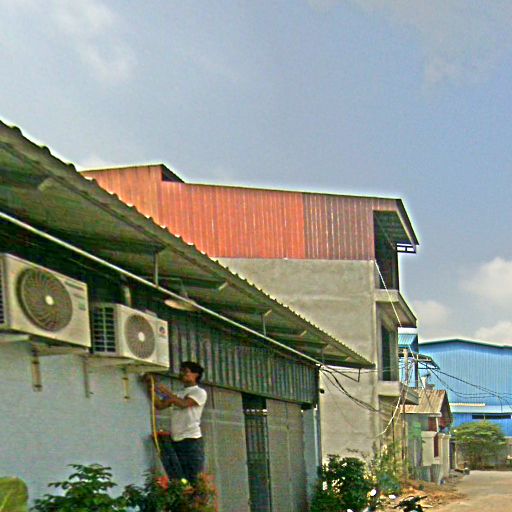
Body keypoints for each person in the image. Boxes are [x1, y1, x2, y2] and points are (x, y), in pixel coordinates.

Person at [147, 361, 207, 485]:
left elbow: (183, 404)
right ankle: (184, 492)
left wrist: (166, 392)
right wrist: (150, 387)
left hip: (191, 439)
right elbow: (160, 405)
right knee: (179, 475)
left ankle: (195, 494)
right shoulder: (179, 393)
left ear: (196, 374)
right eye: (181, 371)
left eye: (186, 372)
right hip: (177, 438)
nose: (182, 374)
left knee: (193, 476)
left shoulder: (199, 392)